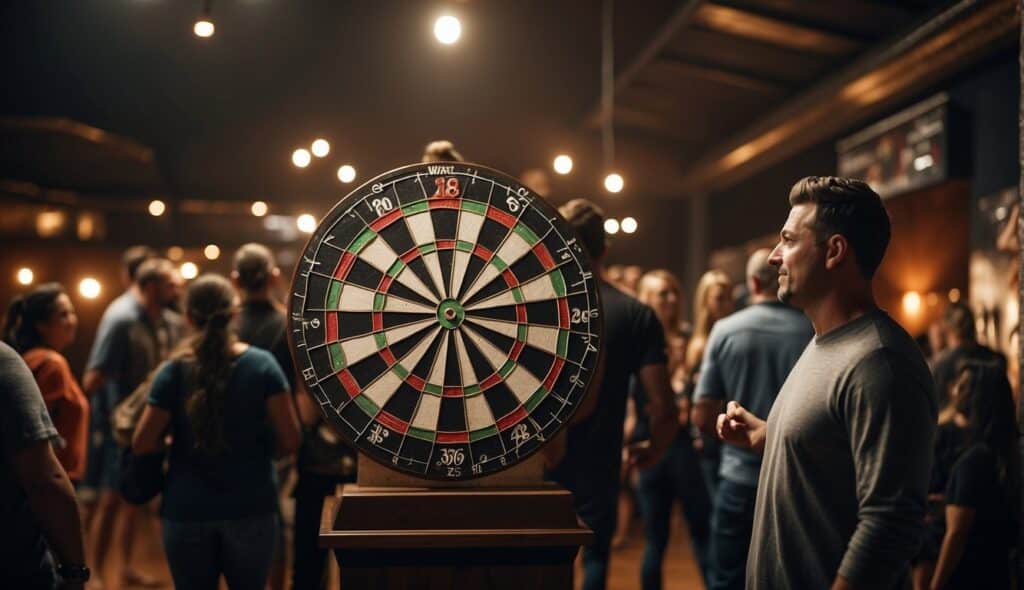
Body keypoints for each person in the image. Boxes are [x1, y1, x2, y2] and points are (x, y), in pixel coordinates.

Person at [717, 176, 936, 589]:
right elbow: (834, 450)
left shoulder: (880, 362)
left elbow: (890, 523)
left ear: (834, 251)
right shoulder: (824, 342)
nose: (773, 258)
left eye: (788, 240)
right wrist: (769, 435)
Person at [132, 274, 301, 590]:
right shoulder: (263, 365)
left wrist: (172, 444)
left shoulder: (173, 371)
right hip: (252, 505)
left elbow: (142, 442)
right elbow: (290, 440)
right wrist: (260, 453)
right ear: (234, 313)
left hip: (186, 508)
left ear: (188, 317)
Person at [547, 199, 678, 590]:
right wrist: (654, 447)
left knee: (541, 560)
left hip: (537, 460)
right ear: (605, 248)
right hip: (600, 460)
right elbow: (663, 405)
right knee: (596, 558)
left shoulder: (540, 307)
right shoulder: (636, 313)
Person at [691, 250, 812, 590]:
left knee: (728, 577)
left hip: (739, 478)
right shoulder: (812, 329)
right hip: (794, 478)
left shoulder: (726, 330)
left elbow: (701, 416)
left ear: (753, 282)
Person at [82, 256, 183, 588]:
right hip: (121, 428)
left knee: (131, 502)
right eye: (171, 283)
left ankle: (124, 566)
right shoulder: (121, 319)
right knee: (110, 501)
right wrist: (119, 409)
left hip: (149, 423)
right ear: (151, 286)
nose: (178, 288)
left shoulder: (163, 319)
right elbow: (93, 378)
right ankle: (94, 571)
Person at [631, 269, 712, 589]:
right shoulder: (640, 342)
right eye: (662, 293)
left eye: (674, 292)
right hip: (649, 441)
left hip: (683, 446)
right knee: (656, 536)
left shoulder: (692, 338)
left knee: (700, 528)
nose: (671, 299)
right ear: (646, 299)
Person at [1, 341, 89, 588]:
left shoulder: (27, 359)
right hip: (14, 566)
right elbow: (45, 479)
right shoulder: (17, 362)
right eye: (62, 314)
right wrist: (75, 572)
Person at [930, 361, 1019, 589]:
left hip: (971, 576)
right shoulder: (1003, 452)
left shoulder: (974, 460)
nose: (954, 391)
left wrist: (935, 585)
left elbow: (956, 534)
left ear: (979, 397)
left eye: (963, 386)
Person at [3, 283, 90, 483]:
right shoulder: (51, 364)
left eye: (72, 313)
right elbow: (33, 429)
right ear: (41, 325)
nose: (72, 321)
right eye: (63, 314)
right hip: (51, 479)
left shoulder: (31, 358)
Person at [685, 269, 733, 499]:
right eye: (718, 298)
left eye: (728, 297)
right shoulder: (697, 344)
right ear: (705, 301)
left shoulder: (734, 334)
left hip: (730, 427)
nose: (725, 304)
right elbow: (693, 394)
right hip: (707, 436)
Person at [931, 302, 1006, 413]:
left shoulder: (937, 365)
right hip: (992, 428)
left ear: (947, 328)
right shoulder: (997, 359)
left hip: (949, 428)